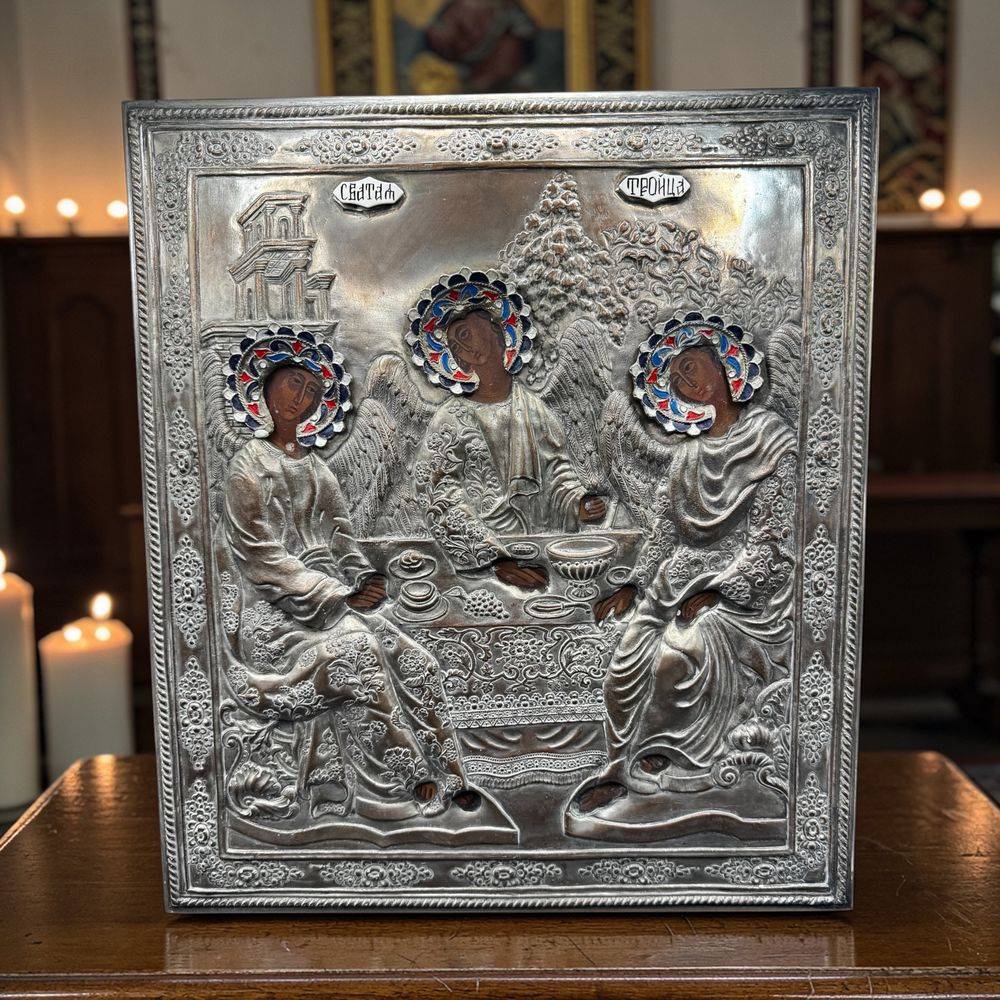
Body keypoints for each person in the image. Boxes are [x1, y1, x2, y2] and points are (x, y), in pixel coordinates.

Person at [215, 346, 482, 822]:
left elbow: (342, 537)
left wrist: (363, 578)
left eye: (312, 390)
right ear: (265, 392)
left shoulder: (316, 468)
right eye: (292, 384)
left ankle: (453, 772)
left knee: (416, 660)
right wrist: (338, 594)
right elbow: (259, 556)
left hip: (330, 603)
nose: (301, 397)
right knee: (359, 649)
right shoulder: (247, 466)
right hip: (273, 615)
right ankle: (413, 777)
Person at [572, 329, 796, 817]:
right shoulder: (689, 455)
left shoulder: (770, 439)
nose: (683, 381)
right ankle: (617, 766)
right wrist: (634, 584)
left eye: (691, 367)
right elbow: (664, 530)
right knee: (623, 666)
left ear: (726, 368)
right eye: (674, 378)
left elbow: (774, 538)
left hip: (741, 586)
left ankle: (672, 756)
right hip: (675, 580)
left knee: (679, 653)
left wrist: (721, 592)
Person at [413, 307, 606, 588]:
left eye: (465, 334)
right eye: (454, 345)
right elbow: (438, 496)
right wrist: (494, 560)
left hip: (540, 551)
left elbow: (557, 470)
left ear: (499, 333)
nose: (461, 347)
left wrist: (577, 503)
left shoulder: (534, 409)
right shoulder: (450, 419)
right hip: (486, 562)